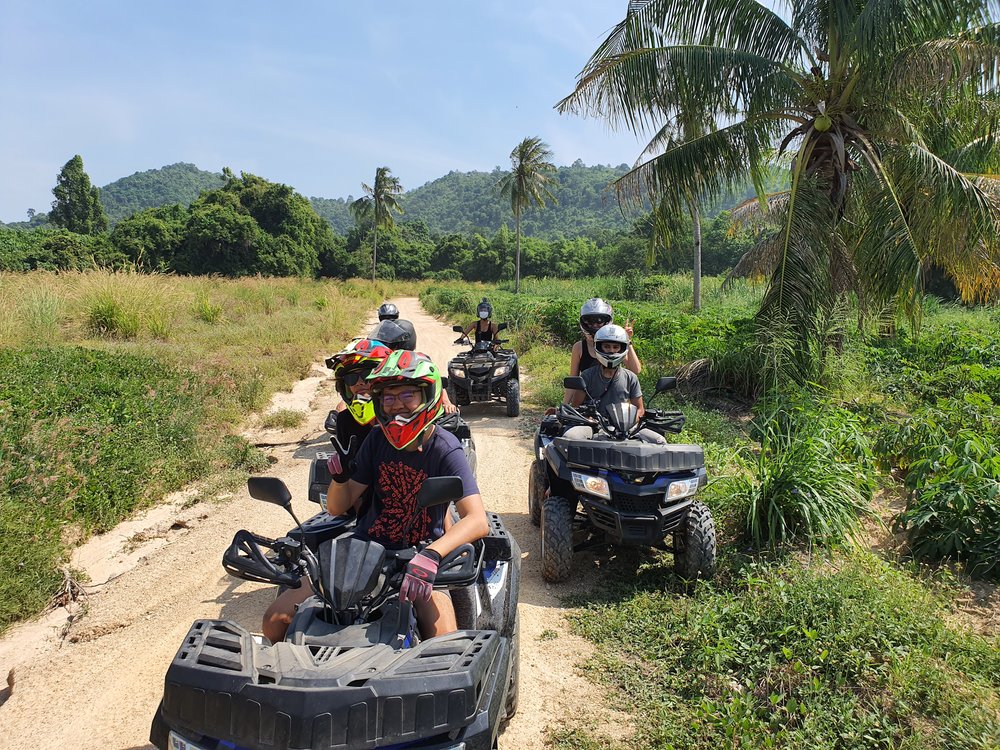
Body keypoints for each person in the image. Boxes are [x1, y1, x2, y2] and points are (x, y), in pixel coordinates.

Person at [261, 351, 488, 643]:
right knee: (274, 620)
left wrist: (432, 555)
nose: (396, 407)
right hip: (364, 550)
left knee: (442, 643)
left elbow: (477, 519)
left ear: (428, 395)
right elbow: (337, 507)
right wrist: (340, 479)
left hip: (417, 557)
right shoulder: (377, 439)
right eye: (388, 399)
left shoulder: (445, 448)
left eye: (407, 395)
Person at [563, 324, 664, 445]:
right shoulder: (587, 375)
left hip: (626, 428)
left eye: (616, 347)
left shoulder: (631, 377)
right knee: (570, 437)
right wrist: (589, 419)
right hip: (594, 426)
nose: (611, 350)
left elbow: (640, 409)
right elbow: (576, 407)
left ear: (622, 349)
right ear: (599, 347)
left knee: (659, 441)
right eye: (607, 346)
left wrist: (629, 422)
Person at [560, 298, 642, 408]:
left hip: (616, 403)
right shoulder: (579, 347)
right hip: (588, 405)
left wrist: (627, 340)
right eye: (590, 321)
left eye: (599, 321)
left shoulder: (615, 346)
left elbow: (635, 370)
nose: (595, 325)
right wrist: (564, 407)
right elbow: (573, 379)